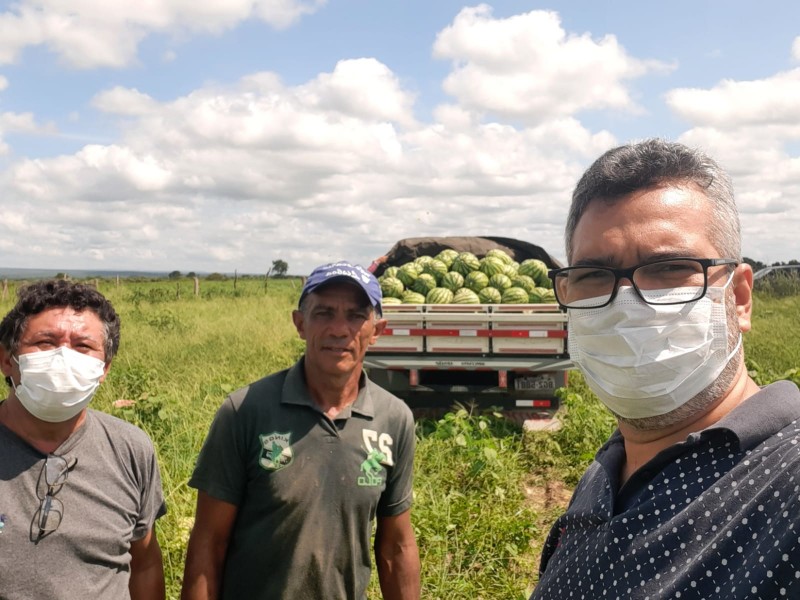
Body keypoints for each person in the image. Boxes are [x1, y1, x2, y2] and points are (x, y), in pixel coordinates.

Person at [530, 139, 800, 599]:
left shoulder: (789, 482)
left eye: (671, 267)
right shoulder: (605, 473)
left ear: (739, 297)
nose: (628, 302)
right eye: (593, 274)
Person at [182, 261, 420, 600]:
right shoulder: (246, 410)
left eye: (355, 316)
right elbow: (209, 540)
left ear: (377, 330)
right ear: (300, 324)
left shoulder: (393, 419)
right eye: (323, 313)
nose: (339, 329)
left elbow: (396, 546)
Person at [0, 279, 166, 600]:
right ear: (7, 358)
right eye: (46, 342)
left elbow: (144, 564)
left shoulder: (131, 449)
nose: (64, 358)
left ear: (103, 368)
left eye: (83, 346)